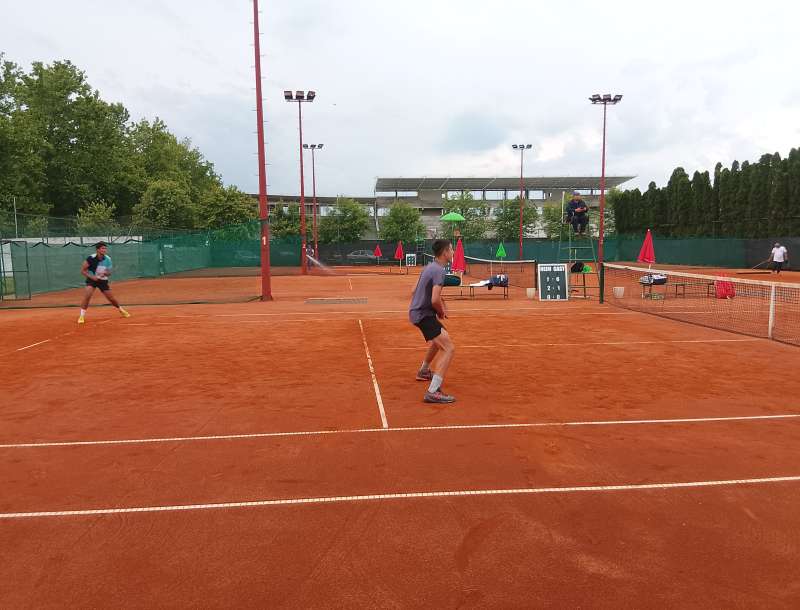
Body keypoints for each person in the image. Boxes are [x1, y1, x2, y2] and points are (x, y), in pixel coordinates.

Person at [409, 239, 456, 404]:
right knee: (448, 348)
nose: (453, 252)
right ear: (445, 252)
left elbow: (414, 290)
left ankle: (423, 371)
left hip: (419, 312)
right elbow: (434, 299)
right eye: (451, 249)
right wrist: (441, 311)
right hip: (423, 315)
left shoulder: (429, 267)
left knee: (440, 339)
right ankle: (433, 391)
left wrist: (440, 304)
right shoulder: (439, 271)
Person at [78, 242, 131, 324]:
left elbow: (109, 272)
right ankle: (81, 316)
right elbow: (83, 271)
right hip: (92, 279)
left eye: (105, 248)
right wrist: (92, 277)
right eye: (102, 248)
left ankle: (121, 309)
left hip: (103, 280)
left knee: (111, 299)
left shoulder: (108, 259)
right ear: (97, 250)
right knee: (88, 295)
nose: (104, 250)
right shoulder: (91, 258)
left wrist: (106, 273)